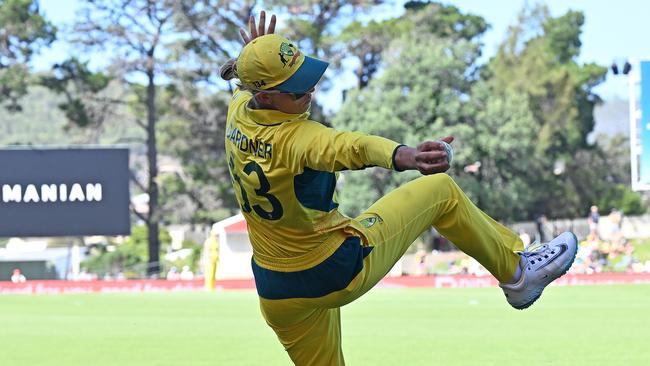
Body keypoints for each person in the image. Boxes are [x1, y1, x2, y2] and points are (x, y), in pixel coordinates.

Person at [220, 11, 578, 365]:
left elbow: (245, 85)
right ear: (267, 96)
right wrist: (407, 156)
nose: (310, 90)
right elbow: (353, 146)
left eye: (307, 78)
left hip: (277, 294)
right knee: (440, 190)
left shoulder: (238, 111)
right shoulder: (298, 138)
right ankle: (518, 276)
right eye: (298, 89)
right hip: (331, 270)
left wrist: (257, 55)